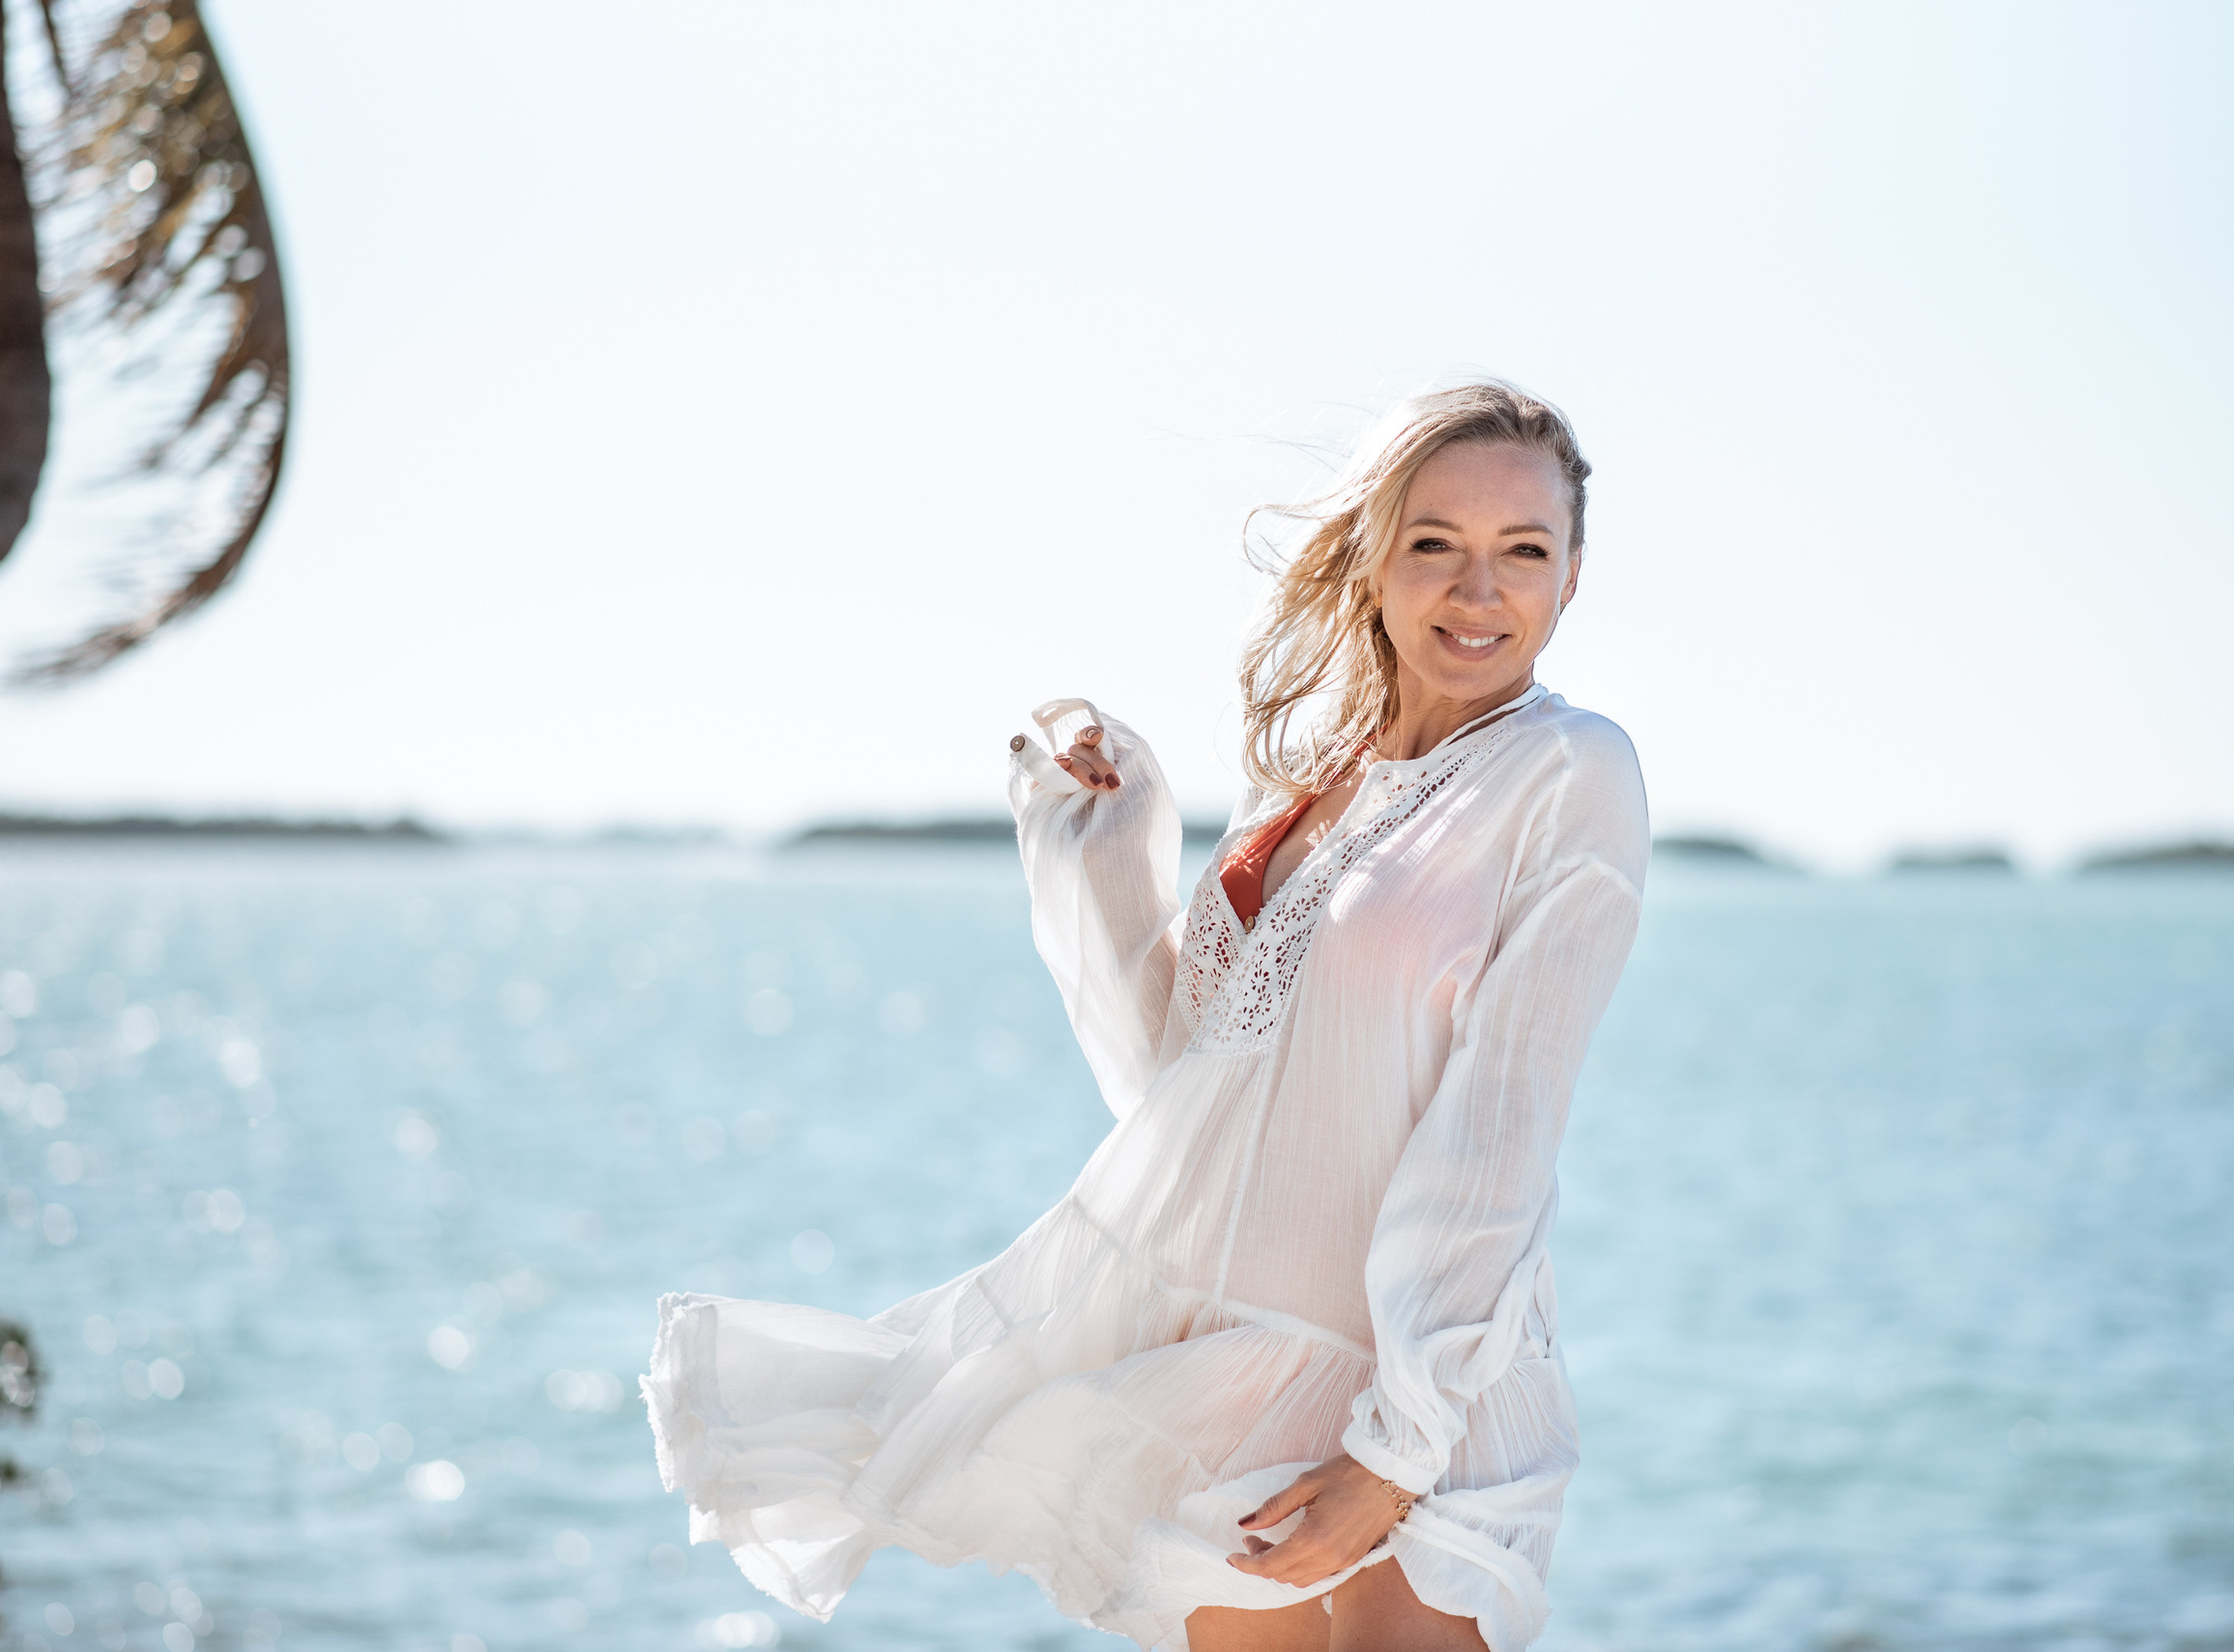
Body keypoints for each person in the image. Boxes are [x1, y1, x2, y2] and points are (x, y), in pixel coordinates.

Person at [643, 381, 1649, 1652]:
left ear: (1570, 577)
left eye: (1524, 551)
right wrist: (1107, 856)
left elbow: (1499, 1129)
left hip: (1436, 1392)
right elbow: (1185, 1091)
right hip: (1227, 1378)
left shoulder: (1571, 776)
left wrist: (1397, 1452)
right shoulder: (1303, 779)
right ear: (1375, 557)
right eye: (1435, 543)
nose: (1478, 589)